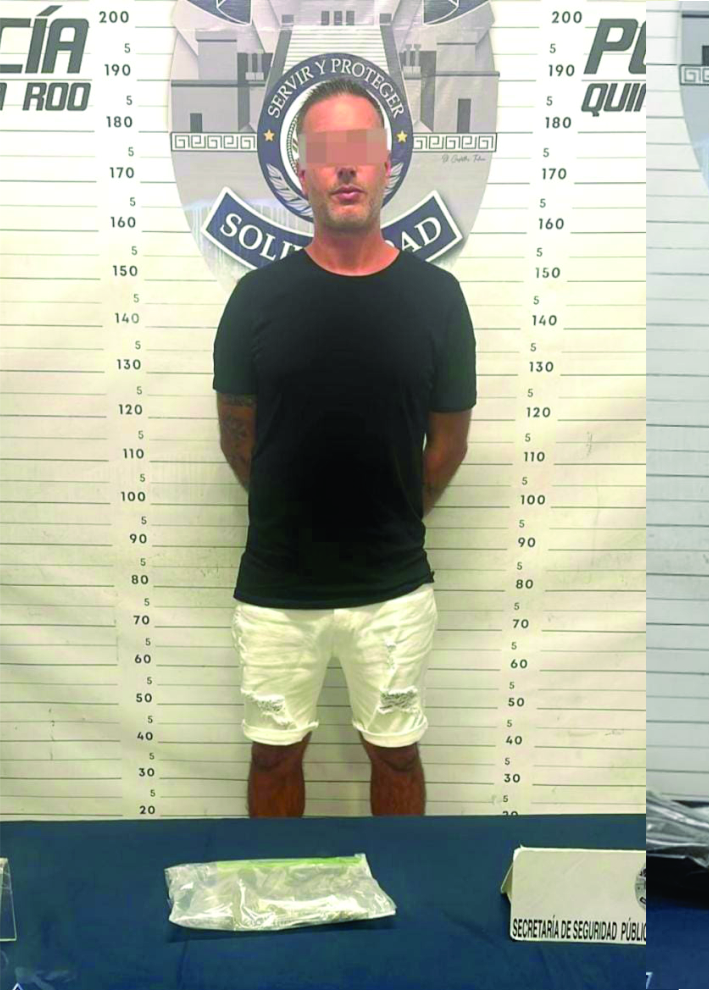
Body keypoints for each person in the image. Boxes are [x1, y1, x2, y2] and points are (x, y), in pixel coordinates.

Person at [212, 77, 475, 817]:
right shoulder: (255, 301)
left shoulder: (438, 300)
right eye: (329, 152)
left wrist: (393, 512)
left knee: (396, 752)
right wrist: (294, 508)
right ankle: (276, 885)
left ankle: (402, 886)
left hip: (393, 584)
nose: (347, 167)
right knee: (273, 753)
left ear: (387, 165)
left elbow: (449, 442)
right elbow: (238, 436)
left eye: (361, 149)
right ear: (304, 172)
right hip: (278, 583)